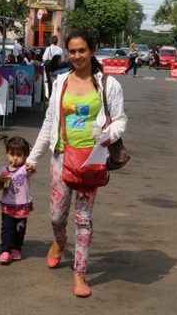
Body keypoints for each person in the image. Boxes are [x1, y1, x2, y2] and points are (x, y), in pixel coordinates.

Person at [26, 30, 127, 298]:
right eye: (72, 51)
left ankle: (79, 273)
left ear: (92, 51)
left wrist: (107, 136)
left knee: (83, 219)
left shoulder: (107, 84)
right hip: (61, 157)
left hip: (91, 161)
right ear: (66, 53)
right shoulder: (60, 83)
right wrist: (32, 157)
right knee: (56, 215)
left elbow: (120, 120)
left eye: (82, 50)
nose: (77, 56)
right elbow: (49, 122)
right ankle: (59, 242)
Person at [0, 136, 34, 265]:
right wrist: (1, 180)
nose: (15, 158)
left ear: (25, 156)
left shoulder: (24, 169)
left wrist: (30, 164)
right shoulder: (3, 170)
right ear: (7, 154)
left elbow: (32, 169)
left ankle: (17, 248)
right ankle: (5, 250)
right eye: (11, 154)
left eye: (19, 155)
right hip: (7, 205)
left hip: (22, 205)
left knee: (20, 229)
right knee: (7, 229)